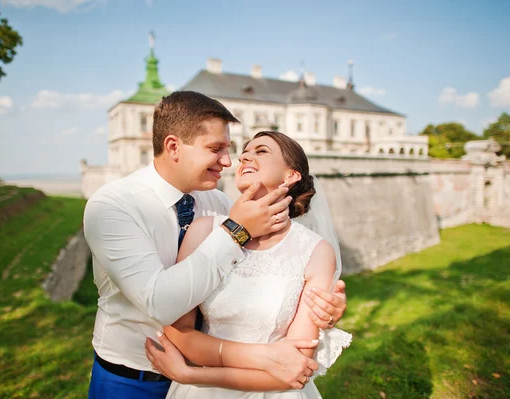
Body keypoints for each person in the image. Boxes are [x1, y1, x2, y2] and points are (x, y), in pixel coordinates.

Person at [83, 92, 348, 399]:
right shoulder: (114, 206)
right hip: (132, 376)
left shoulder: (218, 203)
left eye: (229, 148)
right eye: (216, 149)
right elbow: (160, 304)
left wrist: (323, 308)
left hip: (217, 378)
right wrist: (236, 230)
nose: (229, 160)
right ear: (173, 147)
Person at [146, 131, 352, 398]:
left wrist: (191, 374)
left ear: (290, 176)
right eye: (244, 151)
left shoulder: (315, 252)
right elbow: (179, 331)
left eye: (261, 151)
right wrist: (266, 357)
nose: (244, 156)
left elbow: (297, 366)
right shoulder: (203, 231)